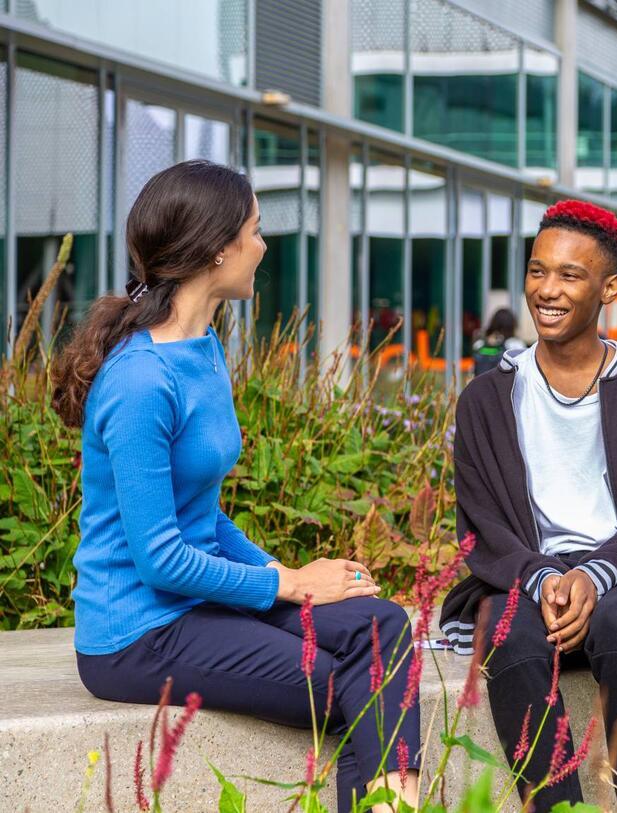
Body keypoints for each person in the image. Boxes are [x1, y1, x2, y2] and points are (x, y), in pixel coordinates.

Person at [51, 161, 419, 813]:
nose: (263, 244)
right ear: (217, 248)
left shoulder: (203, 348)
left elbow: (205, 517)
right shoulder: (140, 383)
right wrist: (293, 585)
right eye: (255, 229)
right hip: (138, 635)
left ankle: (393, 804)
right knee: (352, 683)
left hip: (198, 603)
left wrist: (283, 570)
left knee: (382, 625)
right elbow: (159, 559)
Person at [439, 199, 617, 813]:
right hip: (526, 573)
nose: (548, 289)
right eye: (538, 270)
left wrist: (595, 575)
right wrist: (543, 577)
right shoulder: (487, 399)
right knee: (512, 639)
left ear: (609, 288)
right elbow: (483, 524)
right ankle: (558, 807)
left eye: (570, 275)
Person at [473, 307, 526, 376]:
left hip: (481, 384)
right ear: (512, 325)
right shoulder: (514, 345)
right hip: (502, 385)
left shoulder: (479, 344)